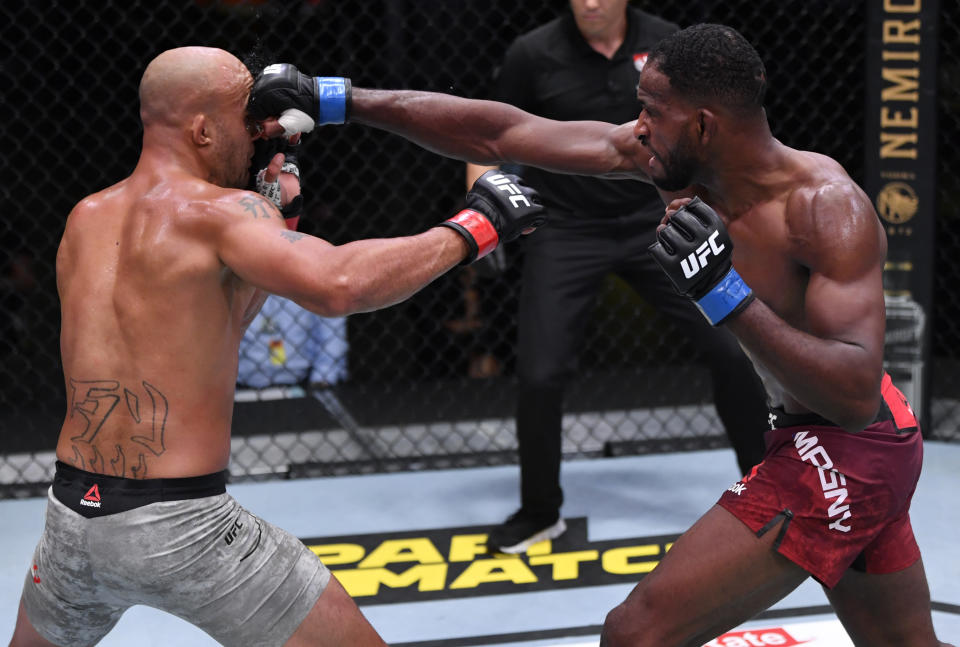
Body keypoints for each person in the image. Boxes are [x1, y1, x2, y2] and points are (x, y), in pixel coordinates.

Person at [249, 23, 953, 646]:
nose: (637, 126)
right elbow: (501, 132)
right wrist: (339, 99)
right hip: (843, 442)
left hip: (847, 449)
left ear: (704, 126)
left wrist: (723, 292)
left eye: (652, 112)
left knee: (634, 633)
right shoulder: (671, 161)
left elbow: (856, 393)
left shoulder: (824, 206)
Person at [9, 46, 544, 647]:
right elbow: (340, 285)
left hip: (71, 520)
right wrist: (479, 223)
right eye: (248, 115)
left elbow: (207, 327)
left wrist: (279, 219)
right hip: (183, 526)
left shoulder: (86, 216)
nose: (262, 129)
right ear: (203, 129)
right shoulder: (221, 213)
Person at [463, 0, 769, 554]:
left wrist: (712, 208)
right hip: (566, 227)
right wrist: (482, 212)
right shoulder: (533, 53)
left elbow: (708, 135)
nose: (592, 3)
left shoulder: (669, 44)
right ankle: (539, 511)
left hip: (656, 220)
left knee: (732, 349)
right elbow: (492, 133)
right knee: (539, 372)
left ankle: (767, 486)